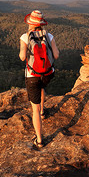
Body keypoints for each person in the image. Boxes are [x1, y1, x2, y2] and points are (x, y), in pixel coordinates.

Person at [19, 10, 60, 149]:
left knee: (34, 109)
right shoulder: (49, 36)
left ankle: (40, 140)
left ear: (30, 23)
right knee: (42, 87)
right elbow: (56, 55)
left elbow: (22, 57)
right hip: (47, 74)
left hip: (32, 76)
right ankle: (43, 112)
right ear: (41, 24)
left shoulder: (25, 37)